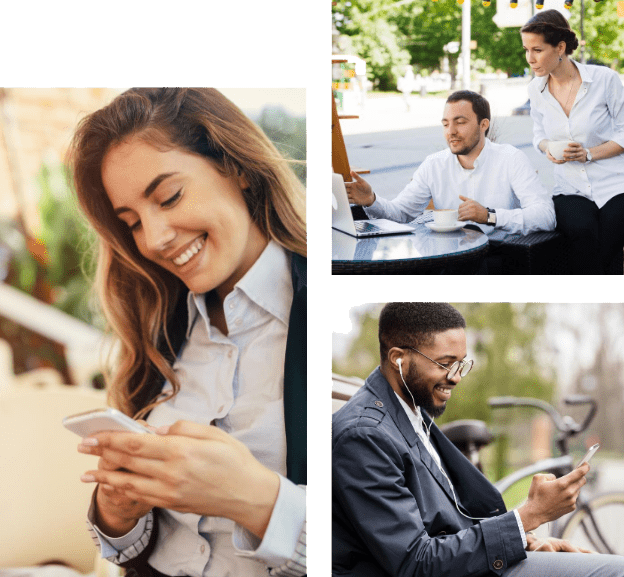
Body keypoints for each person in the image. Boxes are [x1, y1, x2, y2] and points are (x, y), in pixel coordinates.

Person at [68, 88, 306, 577]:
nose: (153, 239)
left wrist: (256, 500)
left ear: (236, 166)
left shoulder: (335, 315)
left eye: (169, 196)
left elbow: (384, 537)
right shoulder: (157, 331)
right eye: (131, 222)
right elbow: (130, 549)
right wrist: (118, 513)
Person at [332, 302, 624, 577]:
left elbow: (449, 520)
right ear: (398, 359)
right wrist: (526, 517)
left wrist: (523, 539)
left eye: (461, 364)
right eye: (445, 364)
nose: (456, 377)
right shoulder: (364, 435)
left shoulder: (409, 411)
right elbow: (415, 562)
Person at [344, 91, 556, 236]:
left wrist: (489, 216)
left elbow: (545, 216)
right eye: (446, 124)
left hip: (498, 253)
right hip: (446, 254)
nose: (451, 131)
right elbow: (401, 213)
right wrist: (371, 200)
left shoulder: (511, 159)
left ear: (484, 125)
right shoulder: (434, 165)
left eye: (460, 122)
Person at [521, 10, 624, 274]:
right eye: (526, 50)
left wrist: (588, 153)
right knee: (583, 232)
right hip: (570, 187)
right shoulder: (536, 89)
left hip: (614, 183)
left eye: (537, 50)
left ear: (560, 47)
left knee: (610, 235)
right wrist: (549, 150)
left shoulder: (605, 80)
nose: (530, 59)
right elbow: (538, 136)